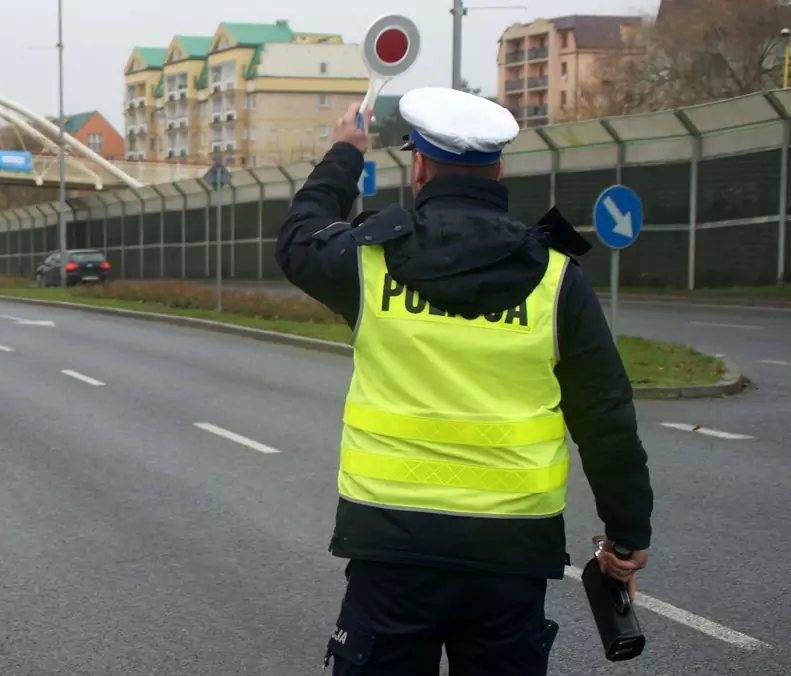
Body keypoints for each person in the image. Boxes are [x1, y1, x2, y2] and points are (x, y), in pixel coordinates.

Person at [275, 88, 654, 675]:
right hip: (512, 557)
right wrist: (625, 541)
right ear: (497, 168)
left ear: (419, 166)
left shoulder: (368, 261)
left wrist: (346, 152)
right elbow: (607, 421)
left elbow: (299, 237)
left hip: (392, 549)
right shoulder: (557, 279)